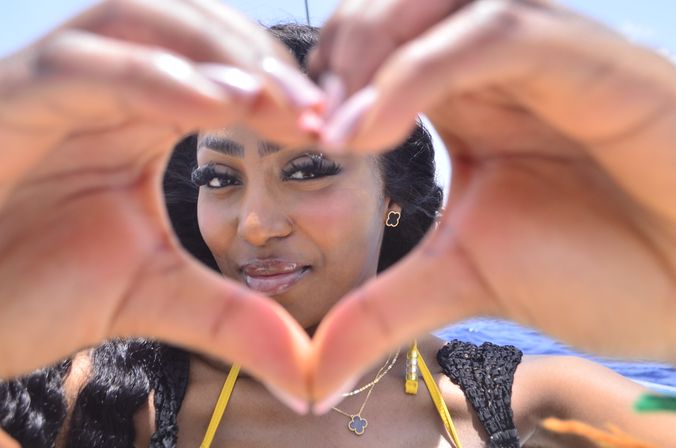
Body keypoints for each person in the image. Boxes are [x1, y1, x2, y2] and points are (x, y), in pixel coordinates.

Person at [2, 22, 676, 448]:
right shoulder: (108, 396)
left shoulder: (532, 400)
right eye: (220, 179)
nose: (256, 224)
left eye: (308, 170)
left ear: (395, 197)